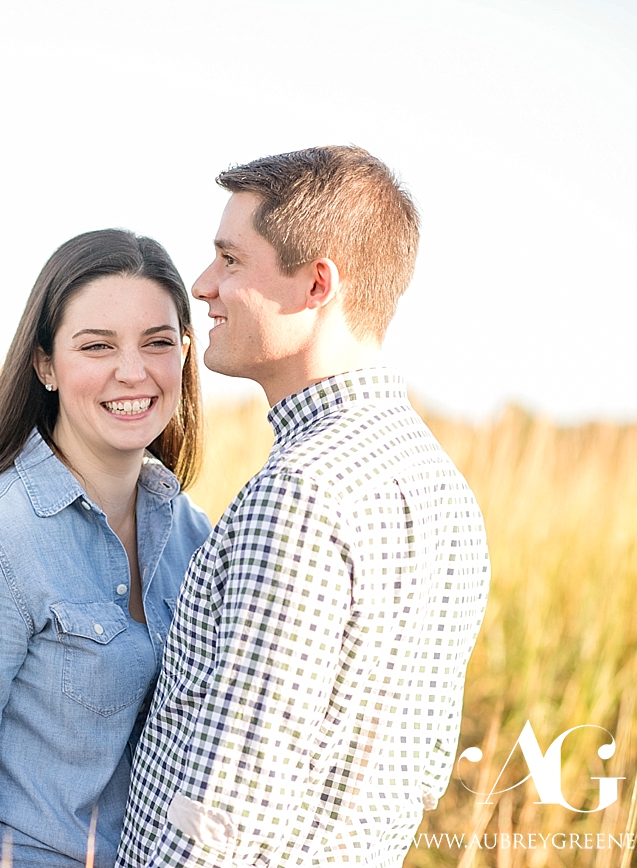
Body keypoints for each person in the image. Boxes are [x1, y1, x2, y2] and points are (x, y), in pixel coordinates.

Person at [118, 147, 491, 868]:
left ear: (317, 283)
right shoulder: (443, 489)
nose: (202, 285)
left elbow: (225, 814)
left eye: (230, 259)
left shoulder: (299, 495)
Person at [0, 228, 212, 868]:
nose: (134, 371)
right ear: (45, 364)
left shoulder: (194, 535)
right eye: (97, 346)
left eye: (158, 343)